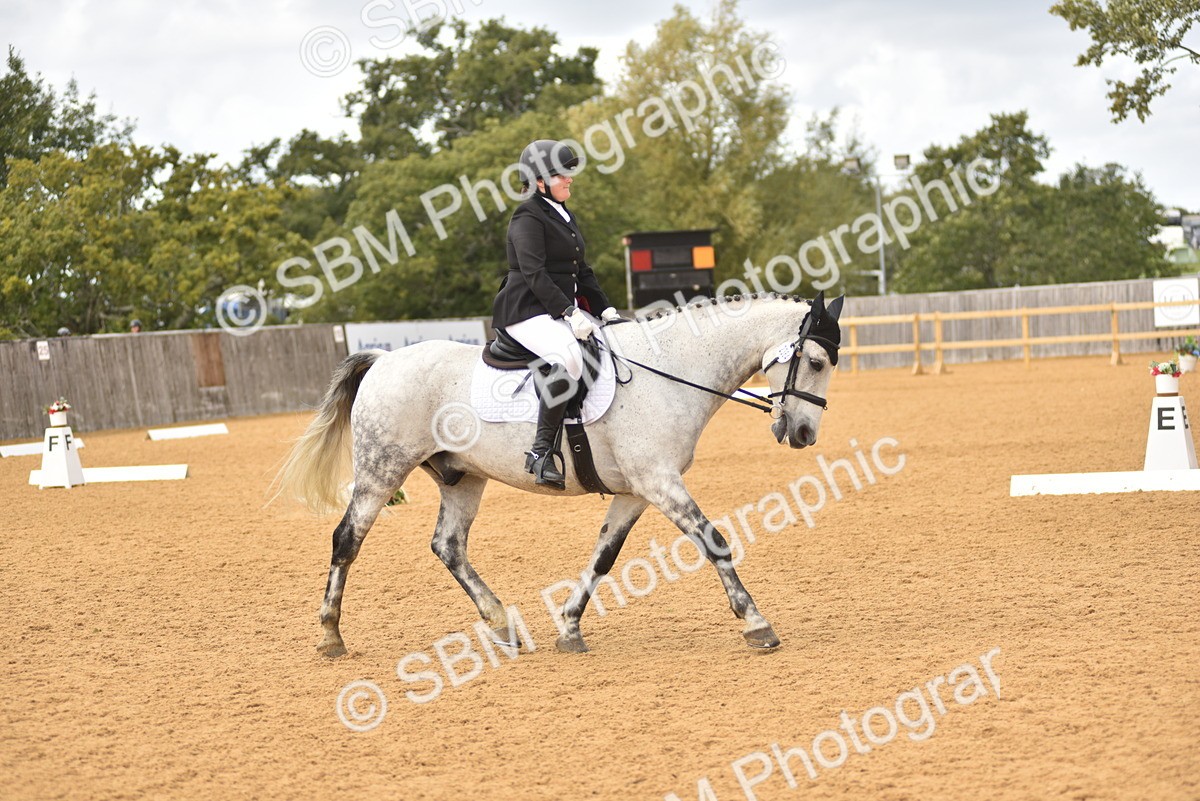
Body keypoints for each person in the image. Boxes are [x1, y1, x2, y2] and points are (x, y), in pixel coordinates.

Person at [491, 139, 621, 490]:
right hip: (526, 309)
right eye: (561, 174)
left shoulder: (563, 214)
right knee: (568, 357)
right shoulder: (527, 216)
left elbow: (582, 270)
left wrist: (605, 309)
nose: (569, 179)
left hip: (558, 309)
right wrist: (568, 312)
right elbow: (534, 273)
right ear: (539, 181)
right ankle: (541, 452)